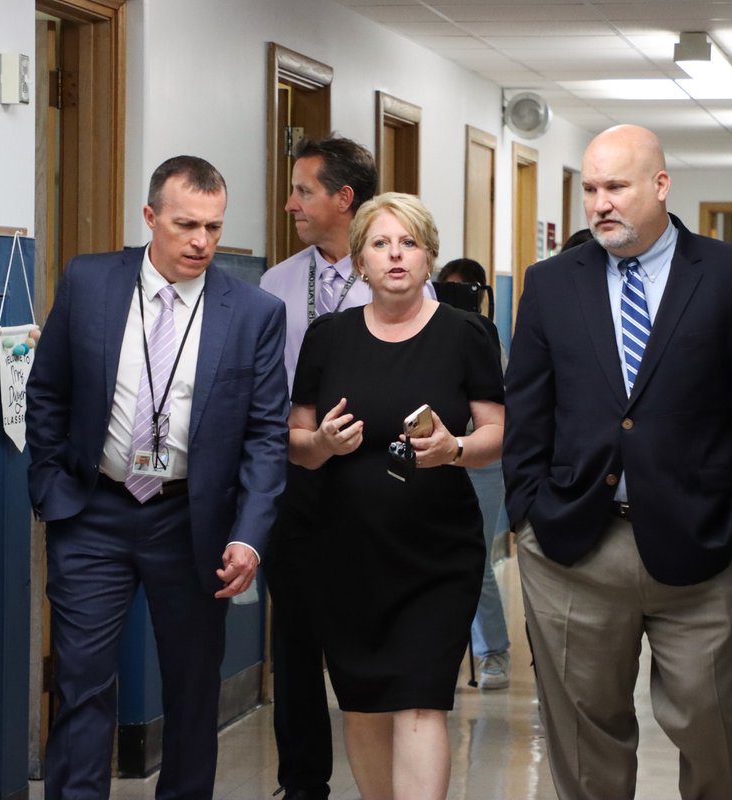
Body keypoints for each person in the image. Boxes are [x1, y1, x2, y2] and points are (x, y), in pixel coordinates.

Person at [502, 124, 732, 800]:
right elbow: (529, 412)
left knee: (713, 723)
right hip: (575, 546)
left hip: (706, 548)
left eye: (617, 187)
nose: (601, 203)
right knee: (583, 735)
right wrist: (528, 515)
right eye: (591, 189)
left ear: (660, 186)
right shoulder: (550, 284)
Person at [25, 156, 289, 800]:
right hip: (94, 511)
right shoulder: (90, 282)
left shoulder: (253, 312)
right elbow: (48, 391)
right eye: (185, 225)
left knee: (193, 688)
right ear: (150, 218)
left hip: (190, 521)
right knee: (83, 680)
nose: (201, 242)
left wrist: (250, 536)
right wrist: (49, 482)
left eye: (214, 227)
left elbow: (265, 437)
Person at [288, 192, 504, 799]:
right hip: (346, 549)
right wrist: (324, 443)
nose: (396, 254)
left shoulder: (466, 335)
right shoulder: (327, 337)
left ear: (430, 255)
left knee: (420, 699)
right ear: (359, 261)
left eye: (408, 242)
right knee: (361, 702)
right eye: (380, 243)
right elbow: (296, 440)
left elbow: (498, 432)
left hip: (437, 553)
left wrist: (456, 449)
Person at [259, 135, 419, 800]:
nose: (292, 203)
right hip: (297, 484)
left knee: (373, 640)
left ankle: (384, 780)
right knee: (294, 643)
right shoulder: (275, 284)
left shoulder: (398, 276)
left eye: (303, 190)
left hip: (375, 486)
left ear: (342, 198)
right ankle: (302, 784)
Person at [437, 257, 512, 690]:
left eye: (462, 291)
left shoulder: (485, 337)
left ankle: (494, 653)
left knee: (476, 560)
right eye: (445, 289)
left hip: (482, 462)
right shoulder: (428, 329)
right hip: (436, 458)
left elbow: (496, 404)